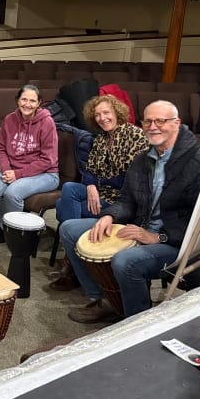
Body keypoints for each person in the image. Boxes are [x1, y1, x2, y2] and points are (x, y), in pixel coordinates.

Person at [60, 100, 200, 323]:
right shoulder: (144, 159)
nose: (153, 126)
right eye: (148, 121)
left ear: (177, 123)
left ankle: (136, 324)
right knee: (69, 229)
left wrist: (156, 237)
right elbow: (127, 200)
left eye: (160, 121)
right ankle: (106, 299)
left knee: (125, 261)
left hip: (176, 243)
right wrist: (109, 215)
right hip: (140, 225)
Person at [50, 95, 149, 290]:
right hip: (101, 193)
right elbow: (90, 170)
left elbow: (129, 180)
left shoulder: (135, 136)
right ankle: (76, 258)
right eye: (97, 115)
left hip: (120, 202)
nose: (102, 118)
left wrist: (98, 182)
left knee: (62, 206)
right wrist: (90, 185)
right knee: (69, 188)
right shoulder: (101, 139)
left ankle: (72, 264)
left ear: (117, 112)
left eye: (106, 113)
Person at [0, 84, 59, 245]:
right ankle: (6, 230)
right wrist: (7, 170)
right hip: (12, 169)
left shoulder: (47, 123)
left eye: (32, 101)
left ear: (39, 103)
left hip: (46, 173)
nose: (27, 104)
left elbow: (48, 160)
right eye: (24, 99)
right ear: (17, 100)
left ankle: (15, 237)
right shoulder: (9, 119)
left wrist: (18, 174)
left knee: (13, 193)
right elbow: (1, 149)